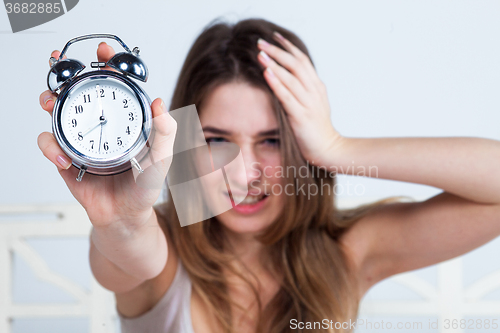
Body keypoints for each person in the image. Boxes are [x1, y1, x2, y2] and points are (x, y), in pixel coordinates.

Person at [37, 18, 500, 333]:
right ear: (186, 141)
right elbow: (127, 254)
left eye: (273, 140)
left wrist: (339, 148)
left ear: (304, 145)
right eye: (218, 139)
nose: (244, 174)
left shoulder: (348, 253)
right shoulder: (161, 254)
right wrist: (124, 219)